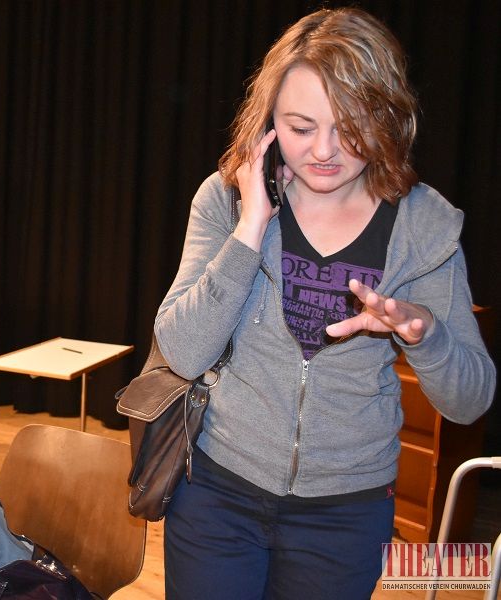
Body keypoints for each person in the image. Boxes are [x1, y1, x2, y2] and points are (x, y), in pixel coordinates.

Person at [154, 8, 496, 599]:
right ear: (269, 121)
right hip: (216, 493)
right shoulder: (226, 200)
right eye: (301, 126)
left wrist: (426, 335)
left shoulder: (424, 225)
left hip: (345, 515)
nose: (324, 151)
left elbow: (471, 401)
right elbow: (182, 351)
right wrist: (250, 229)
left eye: (350, 126)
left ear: (387, 115)